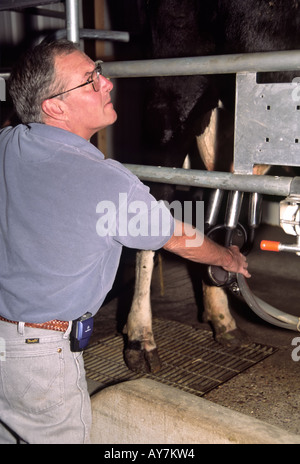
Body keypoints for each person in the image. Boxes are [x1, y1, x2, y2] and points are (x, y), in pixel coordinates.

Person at [0, 40, 250, 445]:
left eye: (98, 72)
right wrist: (228, 257)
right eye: (90, 80)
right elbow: (179, 238)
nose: (108, 83)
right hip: (40, 359)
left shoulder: (8, 145)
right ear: (55, 107)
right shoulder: (103, 181)